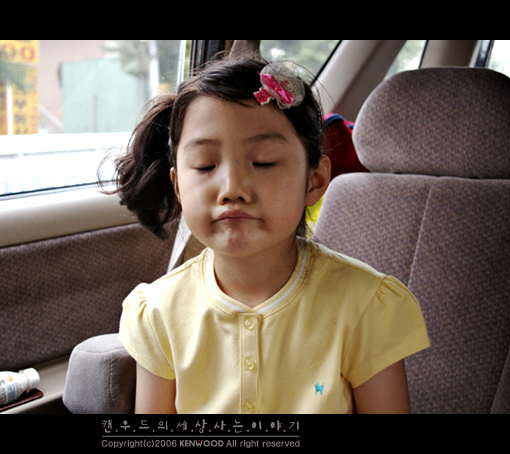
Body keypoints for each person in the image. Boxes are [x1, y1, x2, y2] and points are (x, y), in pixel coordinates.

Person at [108, 56, 430, 414]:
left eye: (263, 162)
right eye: (205, 165)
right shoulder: (158, 312)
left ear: (314, 181)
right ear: (178, 185)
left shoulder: (366, 307)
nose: (232, 188)